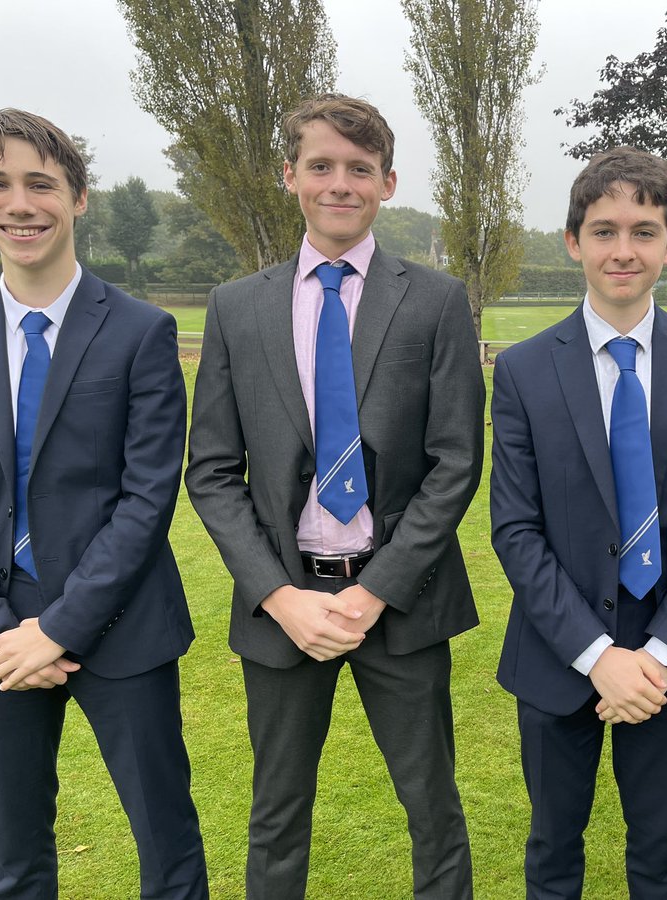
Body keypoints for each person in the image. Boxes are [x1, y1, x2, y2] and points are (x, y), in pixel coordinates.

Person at [185, 93, 484, 899]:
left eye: (360, 169)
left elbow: (455, 463)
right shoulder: (237, 307)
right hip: (285, 600)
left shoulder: (436, 300)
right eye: (321, 166)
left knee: (432, 807)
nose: (339, 183)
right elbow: (211, 470)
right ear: (290, 176)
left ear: (387, 182)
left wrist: (376, 593)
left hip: (401, 602)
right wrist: (279, 595)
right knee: (277, 812)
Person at [0, 108, 207, 899]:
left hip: (122, 626)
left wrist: (61, 628)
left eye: (40, 184)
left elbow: (147, 500)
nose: (19, 204)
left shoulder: (142, 332)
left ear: (78, 198)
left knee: (168, 848)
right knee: (18, 860)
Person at [490, 146, 667, 899]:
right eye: (604, 231)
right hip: (557, 651)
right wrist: (596, 653)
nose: (623, 250)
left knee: (659, 846)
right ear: (573, 242)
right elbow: (516, 528)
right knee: (551, 847)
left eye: (643, 230)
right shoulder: (526, 369)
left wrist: (662, 653)